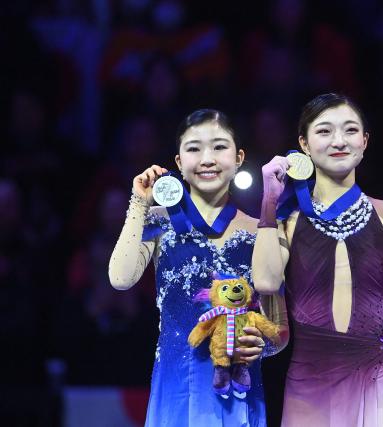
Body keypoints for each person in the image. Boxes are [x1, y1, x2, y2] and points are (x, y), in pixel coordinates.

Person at [108, 109, 289, 427]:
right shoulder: (159, 223)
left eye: (219, 147)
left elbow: (280, 327)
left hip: (240, 396)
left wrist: (265, 344)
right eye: (194, 148)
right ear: (178, 162)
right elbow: (120, 278)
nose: (207, 158)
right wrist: (139, 203)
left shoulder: (260, 229)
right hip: (175, 392)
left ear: (239, 157)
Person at [252, 93, 383, 426]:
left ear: (365, 141)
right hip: (309, 385)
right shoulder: (289, 218)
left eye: (350, 130)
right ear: (304, 144)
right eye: (325, 131)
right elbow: (267, 282)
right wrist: (269, 200)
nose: (339, 141)